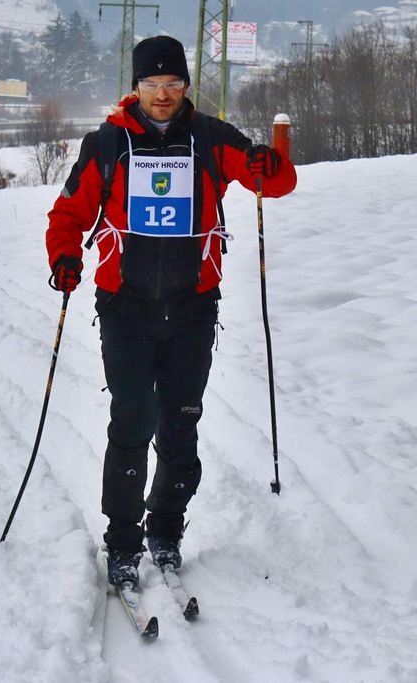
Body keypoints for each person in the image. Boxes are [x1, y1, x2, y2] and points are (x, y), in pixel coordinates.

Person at [45, 35, 297, 589]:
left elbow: (277, 183)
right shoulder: (107, 143)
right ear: (136, 87)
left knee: (181, 423)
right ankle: (122, 541)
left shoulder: (210, 137)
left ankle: (165, 530)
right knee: (132, 421)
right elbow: (68, 213)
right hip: (125, 307)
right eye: (152, 84)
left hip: (191, 307)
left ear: (186, 85)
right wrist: (64, 255)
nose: (163, 94)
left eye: (173, 83)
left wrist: (267, 162)